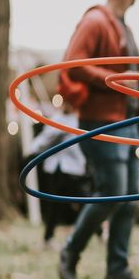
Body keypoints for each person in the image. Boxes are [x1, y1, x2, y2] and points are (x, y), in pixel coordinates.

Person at [57, 0, 139, 279]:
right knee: (113, 192)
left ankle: (117, 266)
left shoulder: (122, 26)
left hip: (128, 123)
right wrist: (112, 80)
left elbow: (137, 79)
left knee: (130, 196)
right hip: (102, 123)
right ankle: (70, 251)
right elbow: (73, 63)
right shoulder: (95, 21)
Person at [28, 106, 90, 249]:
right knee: (56, 206)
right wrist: (32, 150)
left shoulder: (77, 119)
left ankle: (98, 233)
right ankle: (48, 238)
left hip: (74, 169)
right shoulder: (62, 120)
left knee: (85, 202)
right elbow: (45, 139)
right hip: (60, 169)